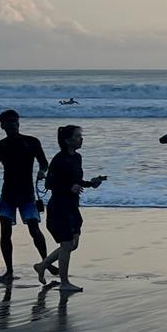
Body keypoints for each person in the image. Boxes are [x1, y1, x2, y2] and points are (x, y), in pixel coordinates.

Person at [34, 125, 106, 292]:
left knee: (73, 244)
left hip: (72, 206)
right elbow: (49, 184)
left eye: (81, 136)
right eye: (77, 136)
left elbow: (76, 181)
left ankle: (42, 265)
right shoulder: (59, 159)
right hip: (59, 206)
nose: (81, 139)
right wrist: (69, 187)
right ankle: (64, 282)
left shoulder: (77, 157)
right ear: (67, 140)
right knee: (66, 244)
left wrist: (91, 183)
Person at [0, 109, 53, 283]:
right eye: (8, 122)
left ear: (18, 123)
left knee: (34, 230)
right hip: (7, 195)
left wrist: (42, 172)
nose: (12, 124)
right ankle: (9, 271)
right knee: (5, 233)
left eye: (15, 121)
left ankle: (45, 262)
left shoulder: (31, 142)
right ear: (2, 126)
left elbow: (44, 163)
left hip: (27, 194)